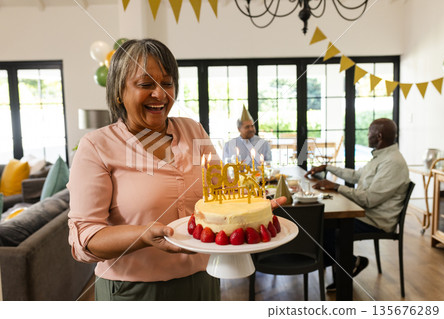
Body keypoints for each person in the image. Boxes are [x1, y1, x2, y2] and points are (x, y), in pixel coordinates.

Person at [68, 38, 285, 301]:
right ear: (118, 91)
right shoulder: (97, 146)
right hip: (133, 292)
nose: (160, 94)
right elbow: (85, 239)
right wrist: (143, 235)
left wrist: (253, 208)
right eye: (145, 84)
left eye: (167, 83)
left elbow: (222, 194)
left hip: (204, 280)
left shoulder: (192, 131)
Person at [304, 118, 410, 291]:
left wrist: (336, 186)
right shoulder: (381, 156)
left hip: (375, 221)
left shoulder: (392, 163)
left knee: (325, 225)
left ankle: (346, 265)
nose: (367, 135)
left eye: (369, 132)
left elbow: (368, 199)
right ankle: (343, 264)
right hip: (364, 213)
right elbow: (356, 176)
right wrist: (328, 167)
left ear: (379, 136)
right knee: (323, 224)